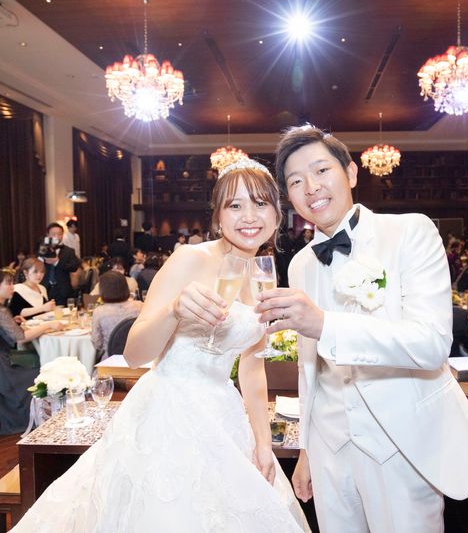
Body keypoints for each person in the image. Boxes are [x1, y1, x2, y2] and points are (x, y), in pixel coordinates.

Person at [12, 159, 309, 532]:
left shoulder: (264, 271)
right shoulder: (190, 258)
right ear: (218, 216)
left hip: (223, 414)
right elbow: (135, 353)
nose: (249, 216)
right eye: (235, 205)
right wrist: (174, 310)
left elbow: (252, 366)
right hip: (168, 412)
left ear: (277, 214)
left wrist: (263, 443)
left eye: (261, 203)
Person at [255, 125, 468, 533]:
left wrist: (326, 324)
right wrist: (308, 452)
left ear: (351, 173)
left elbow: (431, 344)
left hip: (401, 446)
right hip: (330, 451)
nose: (311, 187)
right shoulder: (299, 264)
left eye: (321, 171)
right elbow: (308, 368)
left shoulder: (410, 233)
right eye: (296, 181)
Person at [0, 270, 64, 435]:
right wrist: (48, 325)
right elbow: (21, 338)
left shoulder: (3, 310)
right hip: (3, 368)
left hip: (4, 359)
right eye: (8, 283)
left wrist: (12, 322)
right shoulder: (1, 311)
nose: (12, 287)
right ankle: (48, 419)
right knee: (43, 374)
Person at [91, 272, 142, 361]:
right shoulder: (140, 306)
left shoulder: (99, 312)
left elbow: (97, 343)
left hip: (111, 360)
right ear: (125, 287)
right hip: (139, 358)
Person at [39, 222, 81, 306]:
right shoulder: (42, 249)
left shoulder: (69, 251)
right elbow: (36, 264)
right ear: (48, 235)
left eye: (59, 234)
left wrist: (57, 262)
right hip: (45, 287)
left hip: (62, 290)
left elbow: (74, 267)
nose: (56, 237)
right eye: (53, 234)